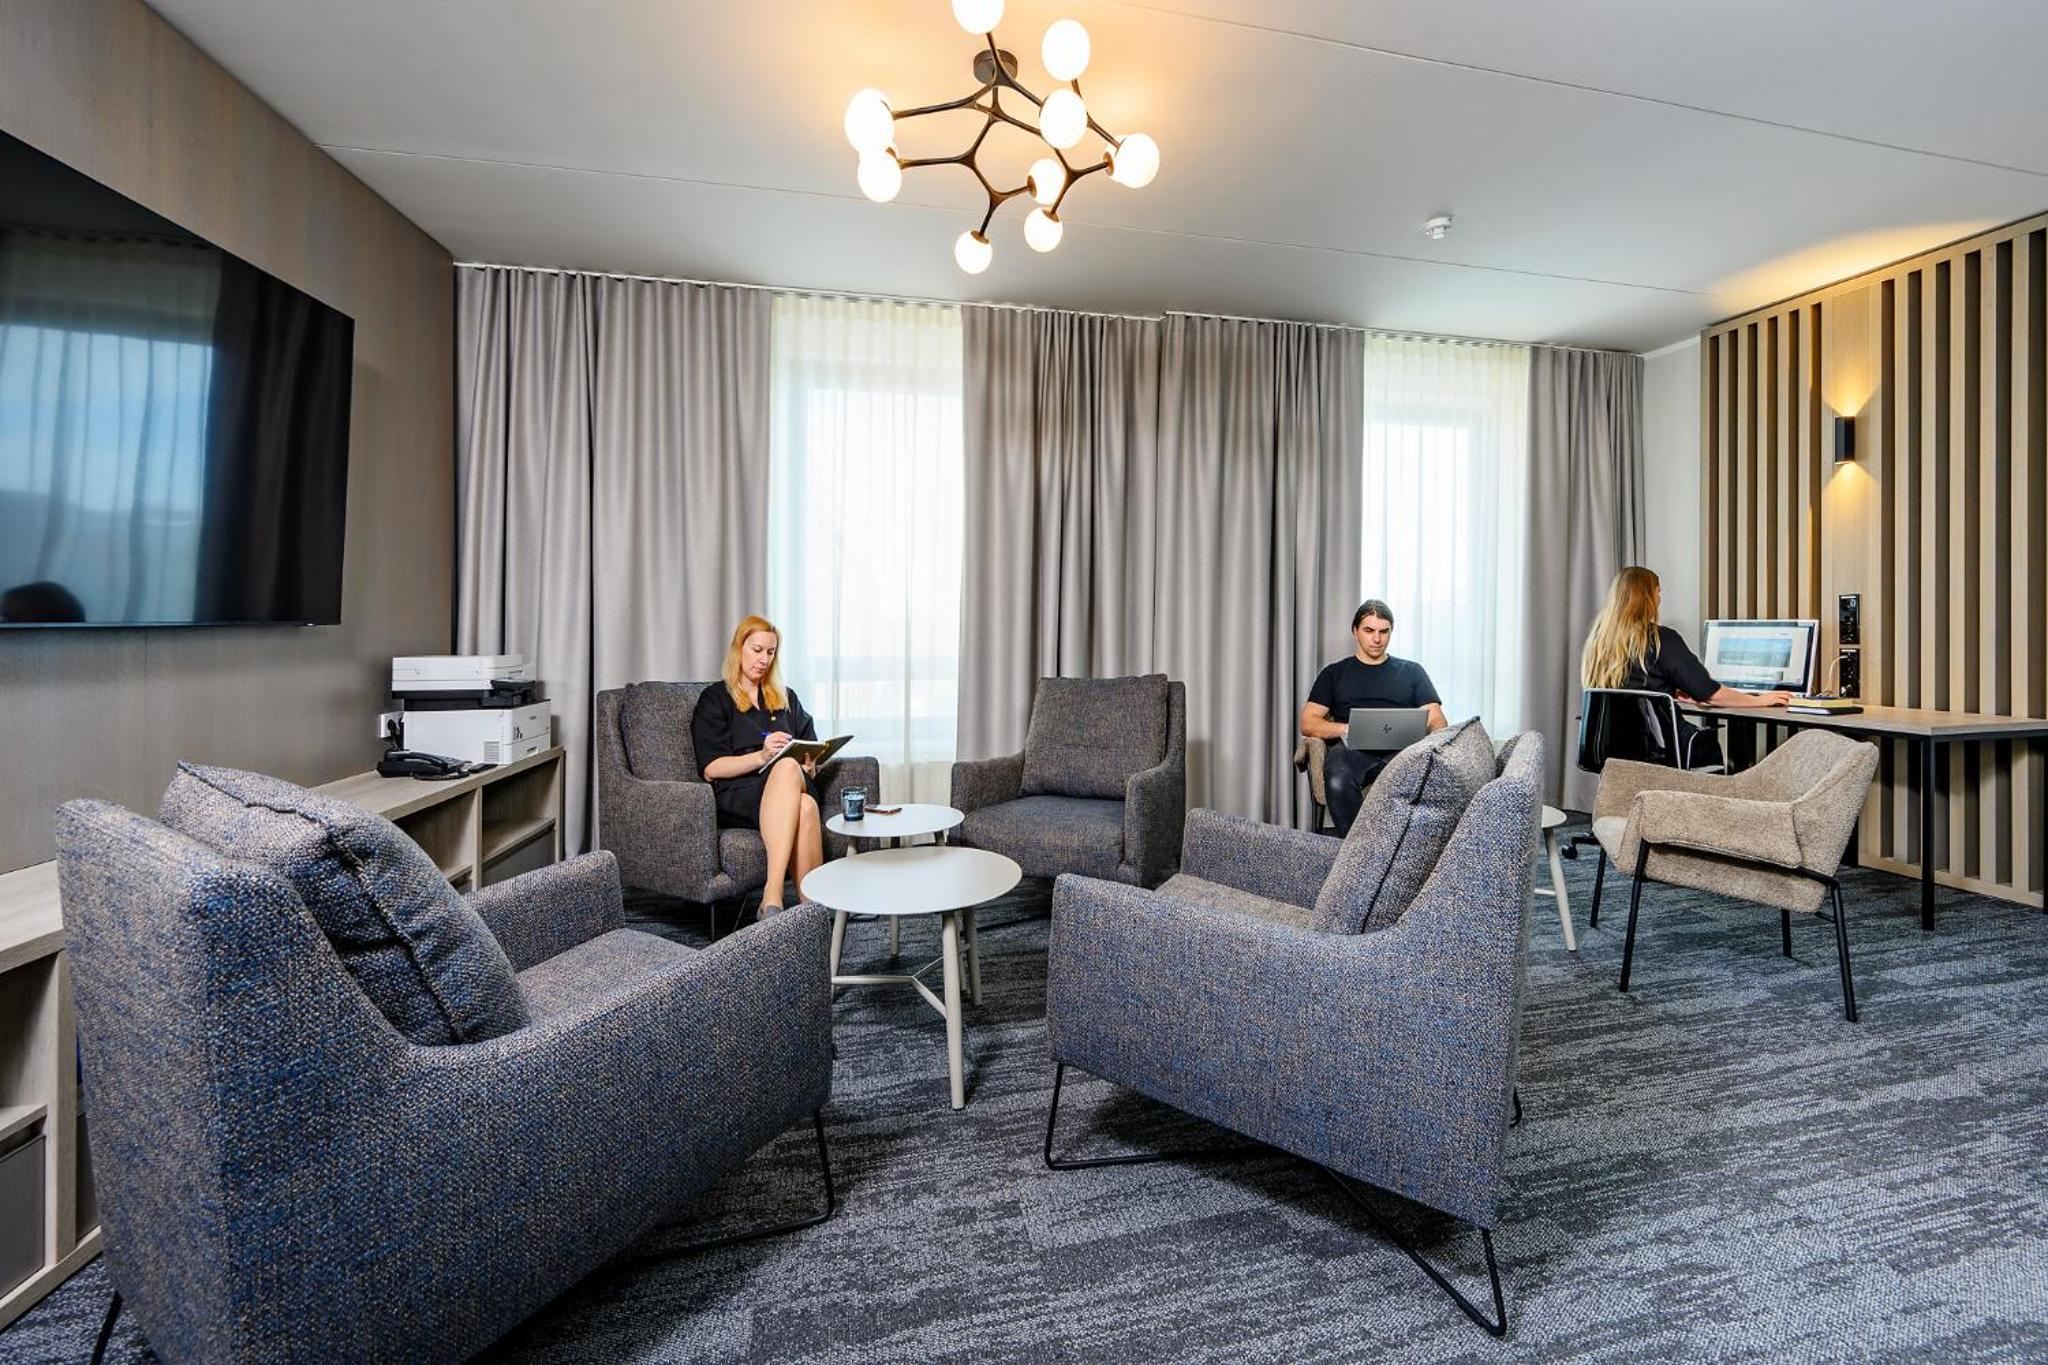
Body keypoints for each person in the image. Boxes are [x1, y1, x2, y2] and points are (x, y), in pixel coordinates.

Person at [1580, 565, 1791, 770]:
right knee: (1709, 746)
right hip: (1659, 750)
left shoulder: (1598, 641)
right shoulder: (1661, 639)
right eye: (1658, 592)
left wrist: (1668, 693)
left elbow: (1629, 689)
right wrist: (1760, 700)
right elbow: (1711, 695)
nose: (1659, 599)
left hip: (1609, 749)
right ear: (1647, 597)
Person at [691, 615, 826, 915]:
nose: (764, 659)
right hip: (740, 793)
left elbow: (811, 750)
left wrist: (809, 765)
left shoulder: (786, 698)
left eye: (771, 652)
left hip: (787, 785)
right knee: (804, 806)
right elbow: (711, 768)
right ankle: (787, 899)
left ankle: (787, 908)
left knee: (791, 773)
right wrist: (762, 757)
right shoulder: (715, 699)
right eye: (757, 650)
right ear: (739, 648)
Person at [1300, 599, 1446, 836]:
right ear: (1355, 631)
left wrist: (1429, 739)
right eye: (1369, 630)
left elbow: (1437, 719)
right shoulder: (1334, 673)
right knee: (1337, 778)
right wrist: (1347, 729)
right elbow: (1308, 722)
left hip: (1402, 751)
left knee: (1421, 775)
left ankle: (1399, 848)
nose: (1377, 639)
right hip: (1352, 751)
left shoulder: (1412, 671)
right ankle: (1359, 849)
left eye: (1383, 632)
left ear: (1391, 632)